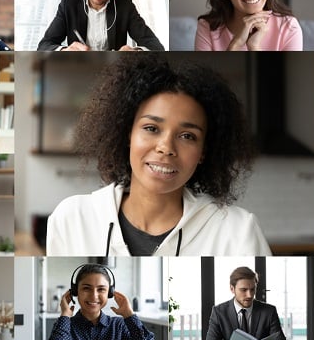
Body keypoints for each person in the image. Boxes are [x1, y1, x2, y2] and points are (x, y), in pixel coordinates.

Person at [46, 54, 270, 256]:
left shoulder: (238, 232)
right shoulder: (72, 219)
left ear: (204, 151)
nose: (166, 147)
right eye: (151, 128)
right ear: (127, 134)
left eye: (187, 136)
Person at [43, 264, 158, 340]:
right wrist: (65, 316)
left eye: (101, 289)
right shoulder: (65, 327)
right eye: (86, 288)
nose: (94, 296)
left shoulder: (118, 326)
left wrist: (129, 315)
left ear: (109, 293)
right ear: (75, 291)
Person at [204, 266, 287, 340]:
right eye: (244, 290)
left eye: (252, 289)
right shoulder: (219, 312)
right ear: (232, 289)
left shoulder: (269, 311)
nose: (250, 295)